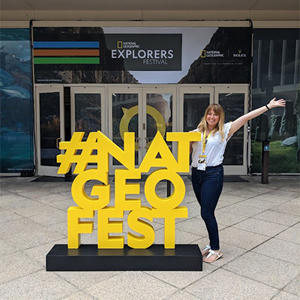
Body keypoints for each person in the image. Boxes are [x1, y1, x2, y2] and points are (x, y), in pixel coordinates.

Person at [190, 97, 286, 263]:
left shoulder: (225, 130)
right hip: (197, 173)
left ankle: (215, 249)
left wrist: (268, 106)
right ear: (205, 115)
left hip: (213, 175)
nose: (212, 117)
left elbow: (247, 117)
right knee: (206, 212)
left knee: (206, 212)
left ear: (220, 117)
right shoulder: (196, 132)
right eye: (209, 114)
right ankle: (211, 244)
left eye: (215, 114)